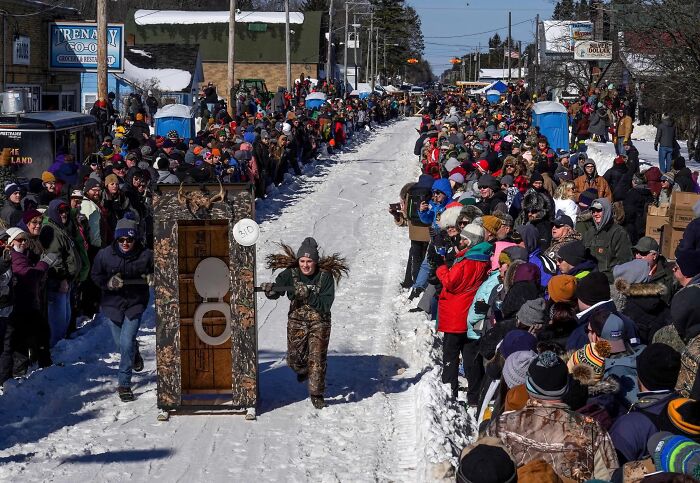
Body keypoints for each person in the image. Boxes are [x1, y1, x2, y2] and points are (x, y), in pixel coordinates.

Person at [484, 350, 619, 480]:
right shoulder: (592, 429)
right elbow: (608, 477)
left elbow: (483, 471)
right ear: (566, 387)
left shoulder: (501, 425)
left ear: (528, 385)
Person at [262, 238, 349, 409]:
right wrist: (270, 291)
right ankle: (302, 369)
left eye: (309, 261)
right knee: (295, 360)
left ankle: (317, 394)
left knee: (317, 358)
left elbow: (325, 305)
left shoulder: (325, 277)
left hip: (320, 322)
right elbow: (277, 291)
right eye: (302, 261)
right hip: (296, 321)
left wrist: (308, 295)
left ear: (315, 262)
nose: (305, 265)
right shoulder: (290, 274)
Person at [91, 215, 152, 402]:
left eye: (130, 239)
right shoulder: (105, 255)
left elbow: (161, 269)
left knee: (126, 342)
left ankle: (124, 384)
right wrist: (108, 282)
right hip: (113, 305)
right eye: (122, 239)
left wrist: (152, 276)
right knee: (121, 345)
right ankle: (133, 354)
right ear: (116, 239)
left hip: (135, 302)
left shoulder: (146, 255)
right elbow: (95, 275)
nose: (125, 243)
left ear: (136, 239)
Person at [435, 222, 492, 405]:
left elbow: (451, 282)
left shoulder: (466, 261)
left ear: (470, 242)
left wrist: (441, 268)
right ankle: (474, 397)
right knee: (471, 357)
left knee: (451, 354)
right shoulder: (484, 259)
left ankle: (449, 391)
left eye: (464, 239)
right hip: (471, 314)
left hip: (456, 314)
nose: (460, 240)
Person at [582, 198, 633, 282]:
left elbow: (625, 262)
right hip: (589, 278)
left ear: (607, 211)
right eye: (593, 211)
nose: (595, 214)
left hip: (608, 281)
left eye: (599, 210)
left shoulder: (618, 233)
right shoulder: (590, 232)